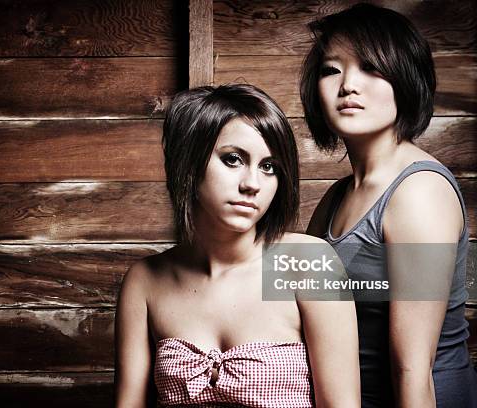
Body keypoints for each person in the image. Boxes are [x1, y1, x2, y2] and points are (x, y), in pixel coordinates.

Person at [115, 83, 360, 407]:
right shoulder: (145, 280)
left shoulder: (308, 263)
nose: (252, 184)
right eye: (232, 160)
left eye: (268, 166)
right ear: (189, 162)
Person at [300, 3, 477, 408]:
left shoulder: (419, 192)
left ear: (405, 79)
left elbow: (412, 372)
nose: (348, 84)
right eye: (332, 69)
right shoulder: (336, 197)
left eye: (370, 67)